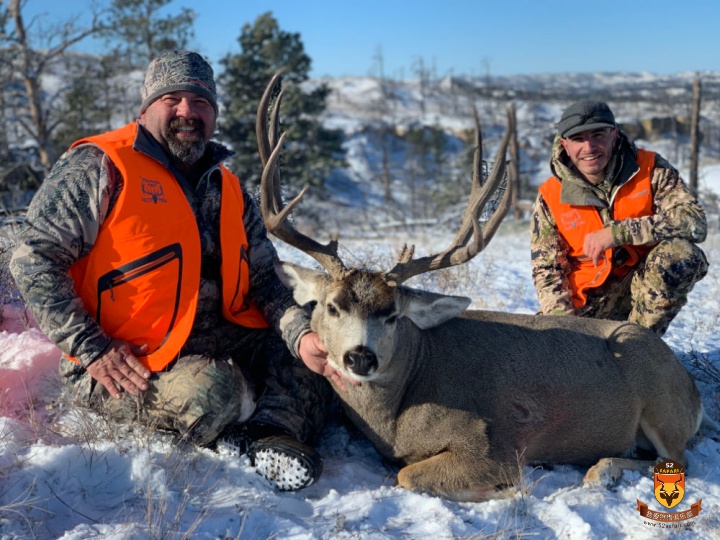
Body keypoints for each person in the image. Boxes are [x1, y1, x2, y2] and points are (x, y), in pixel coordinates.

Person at [9, 50, 346, 491]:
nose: (187, 111)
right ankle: (261, 422)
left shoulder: (227, 188)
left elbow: (265, 279)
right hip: (125, 360)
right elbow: (32, 257)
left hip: (220, 336)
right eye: (173, 99)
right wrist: (93, 349)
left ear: (214, 115)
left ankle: (265, 435)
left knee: (320, 358)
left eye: (201, 102)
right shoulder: (101, 168)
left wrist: (302, 335)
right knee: (213, 393)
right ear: (146, 108)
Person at [531, 99, 708, 336]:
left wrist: (618, 233)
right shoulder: (550, 195)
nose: (589, 147)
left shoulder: (650, 169)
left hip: (642, 289)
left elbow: (694, 222)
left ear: (614, 134)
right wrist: (565, 328)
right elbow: (547, 270)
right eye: (578, 139)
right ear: (565, 144)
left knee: (680, 255)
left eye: (597, 135)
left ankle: (638, 347)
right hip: (585, 303)